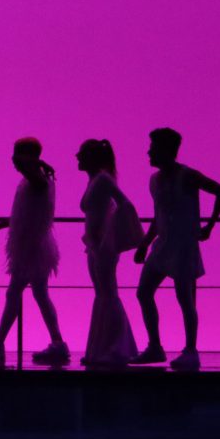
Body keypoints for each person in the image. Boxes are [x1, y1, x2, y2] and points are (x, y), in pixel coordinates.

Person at [132, 128, 220, 370]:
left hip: (184, 245)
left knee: (185, 300)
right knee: (143, 292)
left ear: (167, 150)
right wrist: (145, 243)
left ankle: (190, 349)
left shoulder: (187, 175)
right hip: (163, 244)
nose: (149, 152)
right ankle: (155, 346)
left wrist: (209, 226)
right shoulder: (154, 180)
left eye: (153, 147)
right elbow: (159, 215)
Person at [0, 137, 69, 365]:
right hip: (32, 245)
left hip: (32, 247)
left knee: (16, 293)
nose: (13, 161)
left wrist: (34, 161)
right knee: (38, 294)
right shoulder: (34, 180)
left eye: (16, 155)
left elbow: (31, 177)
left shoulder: (39, 181)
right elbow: (22, 215)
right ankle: (56, 343)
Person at [76, 138, 139, 367]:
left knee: (108, 293)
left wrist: (110, 235)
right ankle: (101, 348)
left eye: (81, 153)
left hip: (102, 247)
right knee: (102, 294)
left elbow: (125, 204)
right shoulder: (94, 179)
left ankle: (116, 348)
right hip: (94, 245)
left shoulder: (102, 179)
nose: (77, 157)